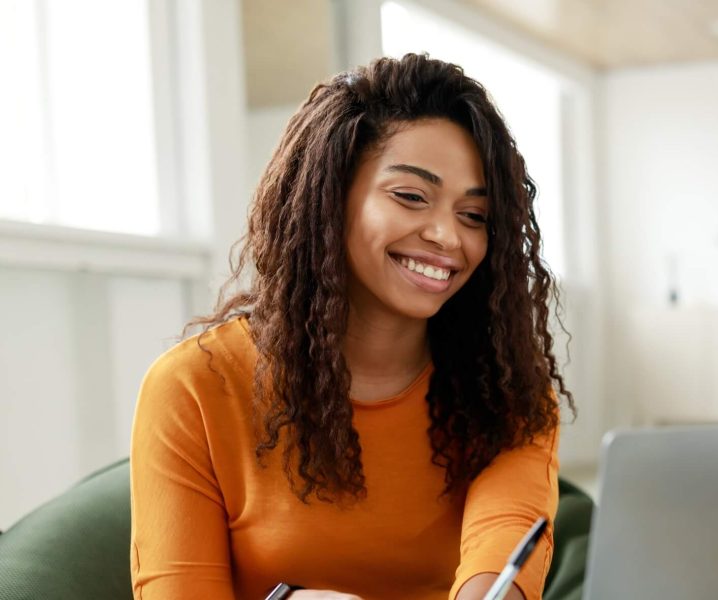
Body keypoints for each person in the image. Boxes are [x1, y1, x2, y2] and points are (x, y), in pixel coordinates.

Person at [129, 53, 572, 600]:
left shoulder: (505, 389)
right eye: (411, 196)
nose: (447, 237)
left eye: (474, 216)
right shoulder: (193, 388)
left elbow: (501, 550)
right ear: (328, 197)